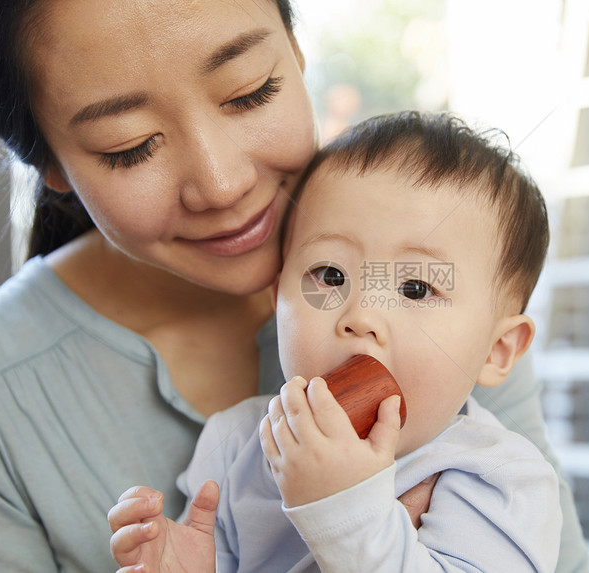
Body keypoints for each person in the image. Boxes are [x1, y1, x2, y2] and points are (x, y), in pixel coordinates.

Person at [0, 1, 588, 571]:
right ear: (50, 164)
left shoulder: (452, 296)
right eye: (131, 146)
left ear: (296, 48)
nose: (222, 184)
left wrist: (348, 513)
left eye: (250, 92)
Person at [109, 111, 562, 572]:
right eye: (331, 276)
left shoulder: (499, 478)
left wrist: (344, 511)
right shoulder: (235, 447)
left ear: (497, 350)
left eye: (416, 289)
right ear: (278, 298)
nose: (361, 317)